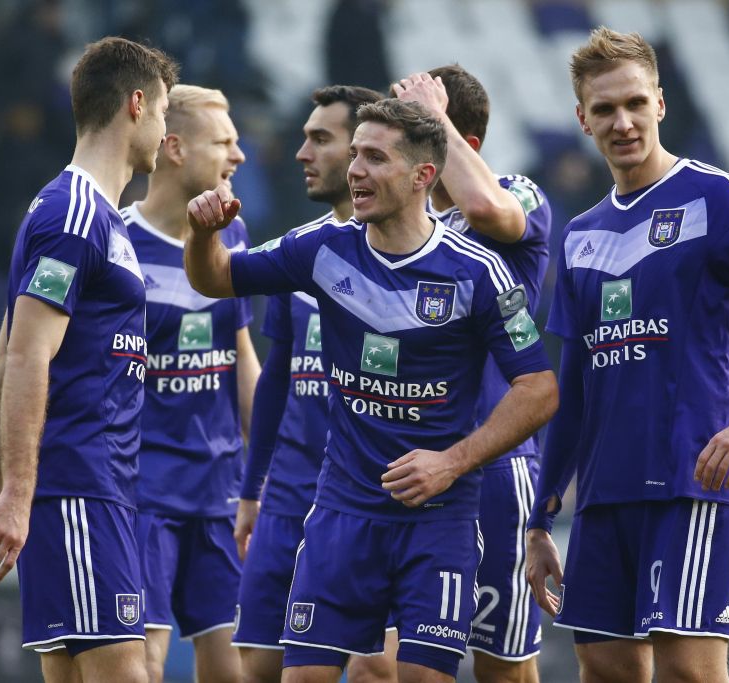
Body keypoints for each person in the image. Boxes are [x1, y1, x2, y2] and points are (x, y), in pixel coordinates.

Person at [185, 98, 558, 683]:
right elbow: (216, 277)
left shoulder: (478, 271)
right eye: (354, 153)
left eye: (375, 157)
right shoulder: (321, 247)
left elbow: (539, 388)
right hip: (342, 513)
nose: (355, 169)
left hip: (436, 520)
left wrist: (452, 462)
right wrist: (203, 236)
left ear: (422, 177)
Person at [524, 27, 729, 683]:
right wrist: (541, 516)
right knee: (607, 668)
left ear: (661, 105)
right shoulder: (580, 235)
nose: (623, 121)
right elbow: (574, 385)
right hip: (604, 495)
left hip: (691, 481)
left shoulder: (717, 197)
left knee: (689, 671)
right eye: (605, 109)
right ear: (582, 120)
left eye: (635, 103)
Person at [0, 36, 178, 683]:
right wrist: (12, 492)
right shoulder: (72, 215)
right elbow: (23, 354)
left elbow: (3, 351)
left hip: (102, 489)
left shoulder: (100, 218)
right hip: (78, 486)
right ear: (135, 104)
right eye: (163, 111)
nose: (164, 129)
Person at [392, 65, 551, 683]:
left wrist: (437, 120)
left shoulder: (519, 194)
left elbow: (487, 206)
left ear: (465, 143)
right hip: (403, 462)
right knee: (398, 665)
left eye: (420, 132)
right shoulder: (401, 227)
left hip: (492, 469)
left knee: (501, 667)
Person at [230, 84, 387, 683]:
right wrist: (251, 490)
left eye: (320, 138)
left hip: (371, 495)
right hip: (289, 493)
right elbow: (278, 375)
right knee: (262, 664)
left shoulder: (412, 258)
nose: (302, 152)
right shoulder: (299, 253)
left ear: (362, 152)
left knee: (378, 669)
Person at [121, 83, 260, 683]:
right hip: (143, 489)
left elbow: (240, 356)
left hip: (220, 491)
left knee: (234, 665)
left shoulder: (234, 233)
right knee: (144, 661)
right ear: (173, 148)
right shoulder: (116, 241)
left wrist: (265, 472)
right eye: (224, 143)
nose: (239, 156)